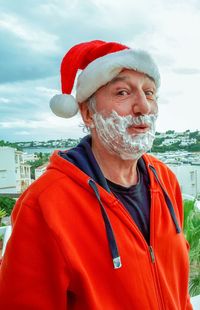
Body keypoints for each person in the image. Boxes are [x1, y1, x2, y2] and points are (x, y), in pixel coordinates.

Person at [0, 40, 192, 309]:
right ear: (88, 113)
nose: (144, 107)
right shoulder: (44, 203)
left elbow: (177, 289)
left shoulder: (165, 180)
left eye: (149, 93)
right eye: (123, 92)